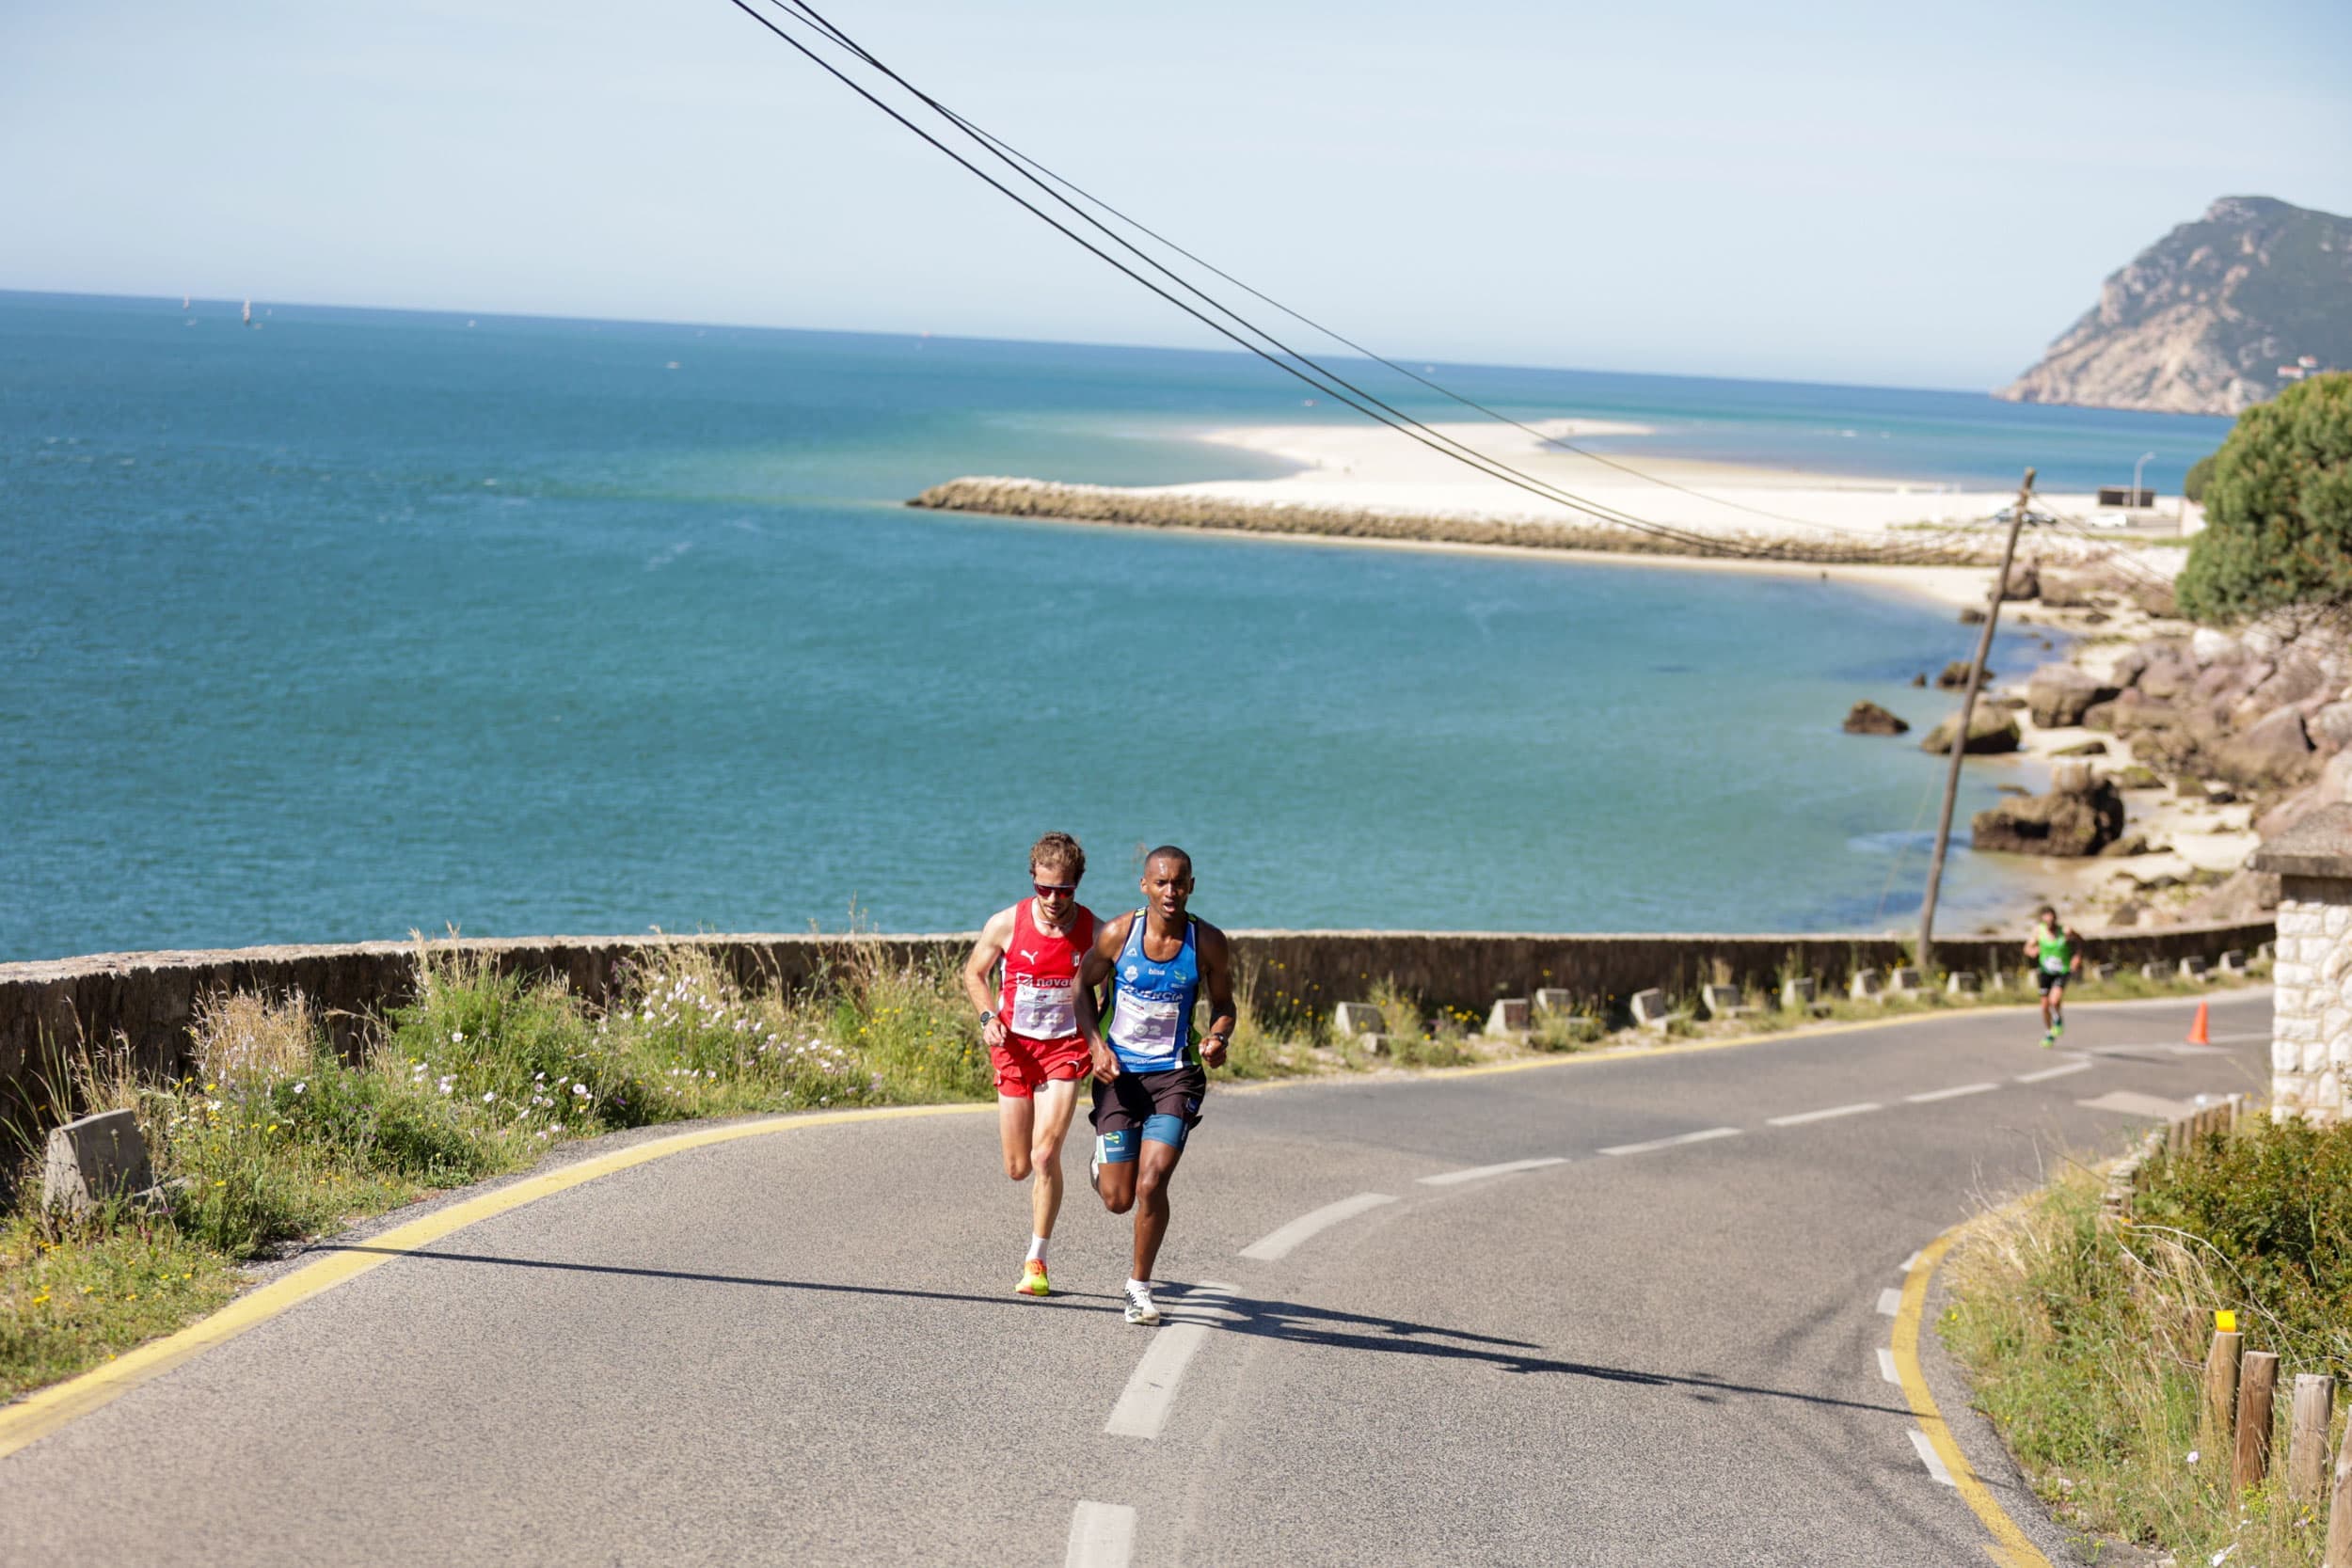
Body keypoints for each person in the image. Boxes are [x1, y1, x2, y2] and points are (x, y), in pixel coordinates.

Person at [1074, 846, 1236, 1326]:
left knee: (1153, 1180)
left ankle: (1138, 1288)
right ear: (1145, 886)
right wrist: (1094, 1046)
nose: (1171, 891)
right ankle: (1104, 1161)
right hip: (1119, 1074)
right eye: (1161, 882)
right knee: (1117, 1198)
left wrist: (1218, 1036)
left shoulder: (1206, 941)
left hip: (1176, 1074)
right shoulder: (1118, 934)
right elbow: (1080, 987)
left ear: (1192, 885)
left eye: (1179, 882)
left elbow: (1224, 1004)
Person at [962, 832, 1097, 1297]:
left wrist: (1101, 1042)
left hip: (1065, 1050)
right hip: (1015, 1049)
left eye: (1065, 891)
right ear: (1033, 881)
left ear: (1077, 885)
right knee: (1018, 1166)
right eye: (1045, 889)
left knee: (1045, 1155)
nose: (1054, 900)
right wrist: (987, 1017)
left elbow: (1121, 983)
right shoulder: (1006, 923)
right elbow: (974, 973)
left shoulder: (1096, 933)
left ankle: (1036, 1260)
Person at [2024, 905, 2082, 1047]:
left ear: (2055, 919)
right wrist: (2032, 951)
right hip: (2046, 971)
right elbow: (2027, 947)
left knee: (2054, 1001)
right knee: (2044, 1006)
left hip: (2062, 971)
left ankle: (2058, 1020)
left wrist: (2077, 957)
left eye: (2051, 919)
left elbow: (2080, 941)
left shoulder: (2066, 931)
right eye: (2046, 920)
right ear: (2043, 920)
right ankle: (2049, 1032)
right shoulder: (2039, 931)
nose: (2049, 923)